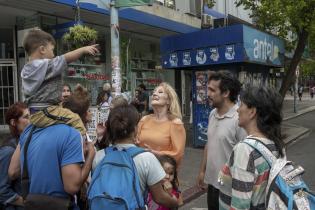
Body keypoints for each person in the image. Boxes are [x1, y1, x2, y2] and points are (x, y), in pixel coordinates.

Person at [8, 86, 96, 209]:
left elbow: (12, 172)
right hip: (61, 204)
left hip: (33, 204)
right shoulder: (72, 134)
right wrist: (91, 156)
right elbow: (72, 187)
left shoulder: (29, 131)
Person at [92, 105, 180, 208]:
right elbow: (160, 198)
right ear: (135, 129)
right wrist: (175, 201)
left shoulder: (99, 156)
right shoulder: (146, 158)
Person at [21, 28, 99, 135]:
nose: (53, 55)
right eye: (52, 50)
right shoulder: (45, 66)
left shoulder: (27, 69)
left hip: (36, 111)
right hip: (46, 111)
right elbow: (65, 58)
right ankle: (83, 145)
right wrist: (83, 50)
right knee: (76, 120)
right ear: (42, 49)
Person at [218, 86, 284, 210]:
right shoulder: (276, 145)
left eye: (241, 104)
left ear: (252, 112)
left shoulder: (245, 150)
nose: (237, 109)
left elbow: (240, 206)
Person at [197, 71, 247, 210]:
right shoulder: (213, 114)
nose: (208, 94)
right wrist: (202, 171)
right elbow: (209, 143)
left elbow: (246, 157)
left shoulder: (240, 119)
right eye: (208, 89)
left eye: (212, 90)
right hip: (213, 184)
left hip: (230, 189)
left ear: (225, 93)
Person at [137, 82, 186, 165]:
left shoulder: (175, 123)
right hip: (142, 170)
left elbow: (178, 154)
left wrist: (155, 153)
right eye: (154, 92)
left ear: (168, 100)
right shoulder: (144, 120)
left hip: (163, 173)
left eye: (160, 92)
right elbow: (136, 142)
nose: (154, 94)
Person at [0, 102, 30, 209]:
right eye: (26, 117)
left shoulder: (22, 144)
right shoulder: (8, 150)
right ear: (13, 122)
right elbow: (2, 190)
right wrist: (25, 203)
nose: (30, 120)